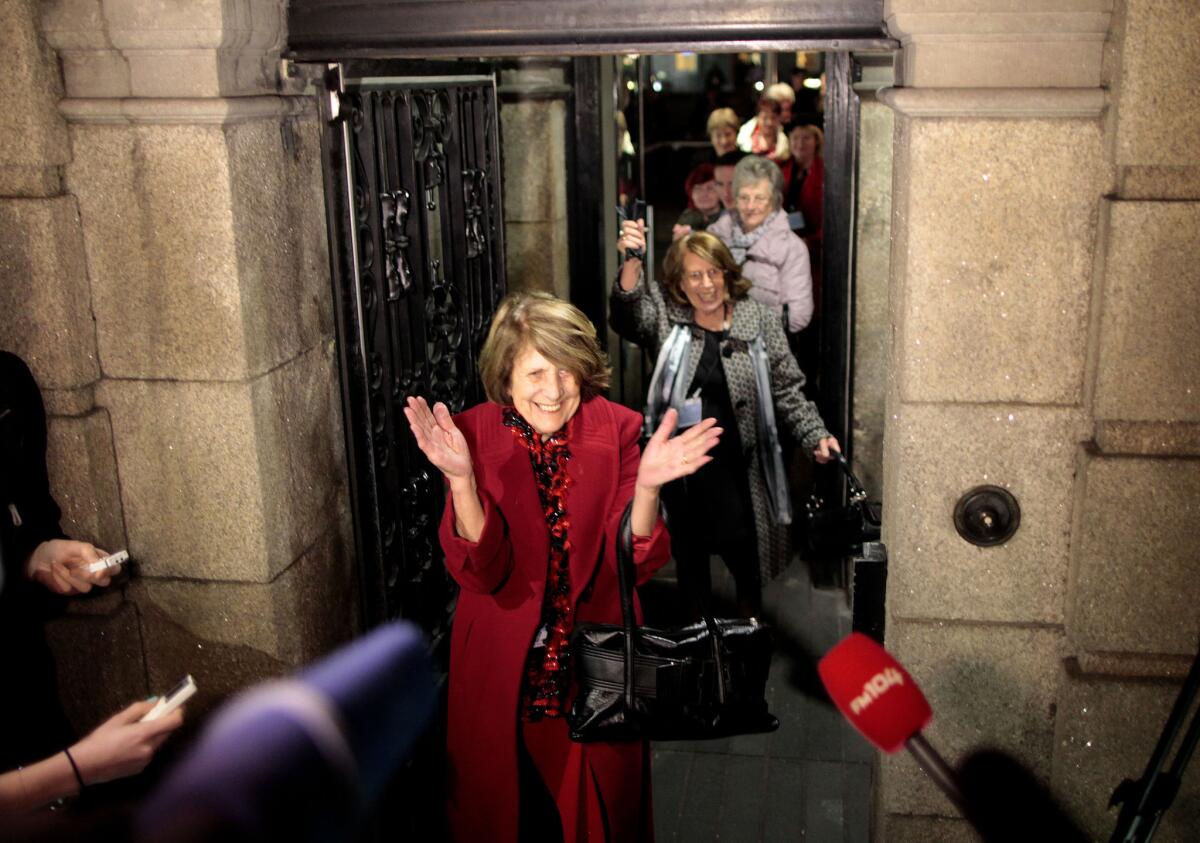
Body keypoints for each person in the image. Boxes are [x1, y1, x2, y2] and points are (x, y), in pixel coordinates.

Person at [403, 292, 720, 843]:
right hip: (501, 673)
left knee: (596, 819)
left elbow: (637, 561)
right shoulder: (472, 433)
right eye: (535, 372)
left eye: (567, 372)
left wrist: (646, 486)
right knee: (504, 815)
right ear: (505, 375)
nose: (552, 391)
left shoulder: (615, 429)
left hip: (594, 672)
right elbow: (481, 571)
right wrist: (461, 481)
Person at [610, 226, 839, 619]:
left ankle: (747, 641)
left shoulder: (757, 318)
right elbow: (629, 318)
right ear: (680, 282)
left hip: (744, 470)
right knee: (691, 564)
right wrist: (632, 260)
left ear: (728, 274)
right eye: (694, 275)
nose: (706, 284)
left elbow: (787, 387)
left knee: (747, 563)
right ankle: (700, 649)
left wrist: (814, 433)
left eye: (714, 272)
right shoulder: (667, 314)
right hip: (686, 474)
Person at [0, 350, 185, 813]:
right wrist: (79, 768)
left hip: (25, 695)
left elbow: (29, 518)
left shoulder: (7, 383)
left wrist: (38, 559)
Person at [708, 155, 814, 335]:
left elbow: (799, 314)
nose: (750, 206)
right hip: (713, 338)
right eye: (743, 197)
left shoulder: (791, 247)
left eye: (759, 198)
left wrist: (744, 324)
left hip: (764, 346)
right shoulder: (715, 235)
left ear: (774, 200)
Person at [736, 86, 793, 164]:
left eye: (773, 118)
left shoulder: (786, 144)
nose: (769, 123)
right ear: (757, 118)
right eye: (764, 118)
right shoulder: (744, 140)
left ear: (779, 118)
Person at [671, 163, 722, 241]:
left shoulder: (731, 217)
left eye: (710, 188)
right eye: (698, 189)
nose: (704, 194)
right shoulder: (687, 217)